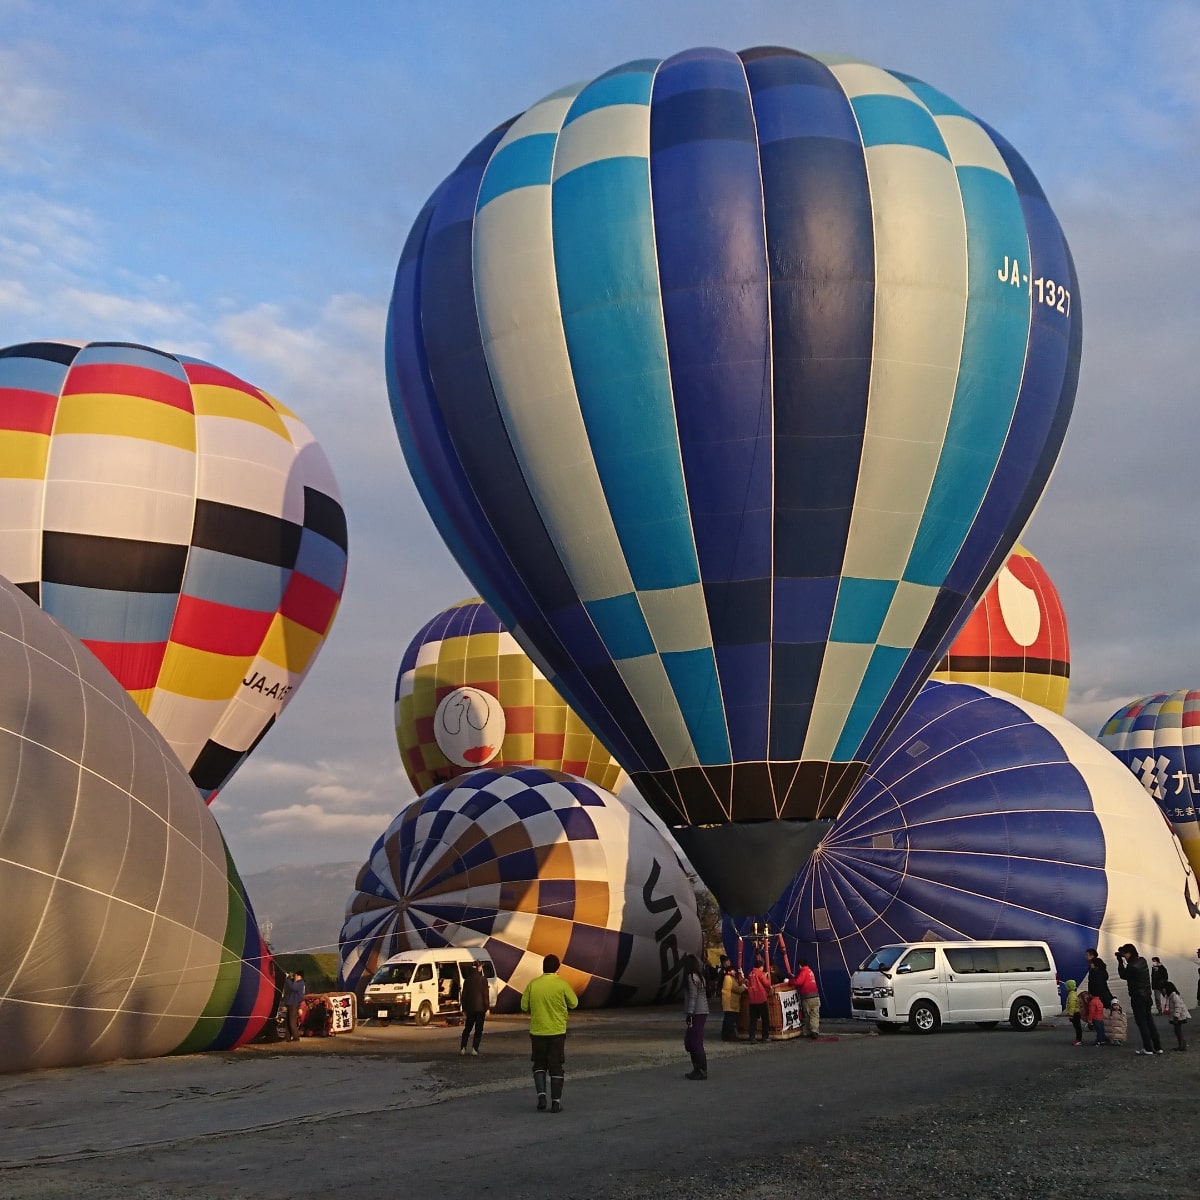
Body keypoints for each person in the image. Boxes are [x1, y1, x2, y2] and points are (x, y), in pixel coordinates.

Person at [520, 954, 578, 1113]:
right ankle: (556, 1102)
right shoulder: (562, 984)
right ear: (557, 968)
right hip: (557, 1031)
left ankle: (541, 1098)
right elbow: (574, 1003)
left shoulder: (533, 984)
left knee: (539, 1065)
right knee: (556, 1066)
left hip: (537, 1031)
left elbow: (524, 1006)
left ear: (543, 967)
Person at [1116, 943, 1163, 1055]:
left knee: (1142, 1023)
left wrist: (1119, 961)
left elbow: (1123, 975)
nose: (1124, 956)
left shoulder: (1132, 966)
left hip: (1137, 997)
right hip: (1147, 996)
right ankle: (1158, 1047)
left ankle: (1148, 1048)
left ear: (1129, 953)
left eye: (1124, 954)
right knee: (1149, 1022)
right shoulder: (1142, 961)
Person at [681, 953, 709, 1080]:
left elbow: (693, 996)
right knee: (693, 1040)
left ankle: (700, 1069)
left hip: (696, 1012)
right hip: (702, 1011)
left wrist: (689, 1013)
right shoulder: (700, 977)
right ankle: (699, 1068)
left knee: (694, 1041)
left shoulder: (691, 977)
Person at [459, 960, 490, 1056]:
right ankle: (474, 1049)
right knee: (478, 1029)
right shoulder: (483, 980)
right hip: (480, 1009)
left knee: (467, 1029)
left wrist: (464, 1008)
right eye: (481, 967)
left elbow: (464, 995)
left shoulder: (467, 980)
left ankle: (463, 1048)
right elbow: (485, 995)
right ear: (479, 968)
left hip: (470, 1008)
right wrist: (487, 1007)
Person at [791, 958, 821, 1039]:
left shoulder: (803, 972)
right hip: (815, 996)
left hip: (807, 997)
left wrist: (791, 981)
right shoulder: (810, 971)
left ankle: (809, 1031)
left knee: (807, 1014)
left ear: (800, 966)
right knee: (815, 1014)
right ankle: (815, 1030)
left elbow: (798, 982)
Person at [745, 956, 772, 1044]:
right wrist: (766, 977)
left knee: (753, 1019)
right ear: (761, 967)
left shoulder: (750, 974)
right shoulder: (760, 974)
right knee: (765, 1018)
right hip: (761, 998)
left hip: (752, 999)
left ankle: (752, 1037)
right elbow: (767, 984)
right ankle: (765, 1037)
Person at [720, 965, 746, 1042]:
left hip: (729, 1002)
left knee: (727, 1020)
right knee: (730, 1021)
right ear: (729, 971)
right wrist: (743, 987)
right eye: (732, 970)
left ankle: (725, 1035)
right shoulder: (728, 978)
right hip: (730, 1002)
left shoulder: (730, 978)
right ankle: (730, 1036)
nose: (734, 972)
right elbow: (736, 988)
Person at [1163, 981, 1190, 1051]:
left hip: (1178, 1017)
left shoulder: (1174, 997)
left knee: (1178, 1031)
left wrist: (1176, 1016)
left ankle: (1182, 1044)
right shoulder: (1170, 997)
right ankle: (1181, 1044)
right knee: (1177, 1030)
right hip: (1177, 1016)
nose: (1163, 990)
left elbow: (1178, 1007)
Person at [282, 970, 305, 1042]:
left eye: (295, 975)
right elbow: (289, 987)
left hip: (294, 1004)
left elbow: (293, 988)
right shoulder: (295, 982)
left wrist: (288, 978)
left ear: (299, 976)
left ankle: (296, 1037)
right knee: (287, 1021)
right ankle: (288, 1037)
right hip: (290, 1003)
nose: (294, 976)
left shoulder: (300, 983)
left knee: (292, 1021)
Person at [1064, 979, 1082, 1045]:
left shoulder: (1071, 995)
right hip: (1076, 1012)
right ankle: (1078, 1039)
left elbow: (1072, 1005)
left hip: (1075, 1013)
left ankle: (1078, 1040)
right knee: (1077, 1027)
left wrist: (1071, 1014)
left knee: (1077, 1027)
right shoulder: (1074, 994)